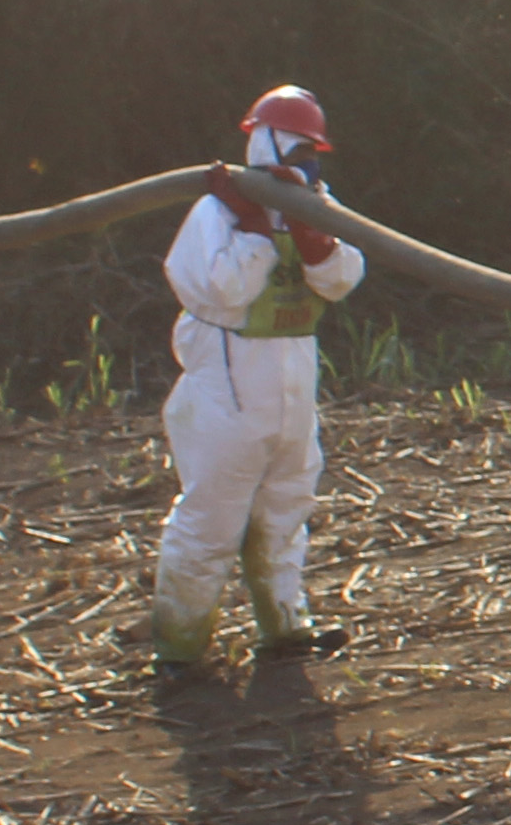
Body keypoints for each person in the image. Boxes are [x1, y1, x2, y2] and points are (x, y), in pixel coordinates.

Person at [150, 87, 365, 670]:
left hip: (293, 384)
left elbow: (343, 278)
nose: (306, 161)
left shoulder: (316, 203)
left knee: (285, 511)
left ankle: (286, 627)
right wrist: (254, 228)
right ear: (266, 143)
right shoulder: (216, 212)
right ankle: (179, 648)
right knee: (212, 521)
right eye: (298, 148)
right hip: (229, 391)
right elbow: (224, 290)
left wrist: (313, 235)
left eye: (312, 151)